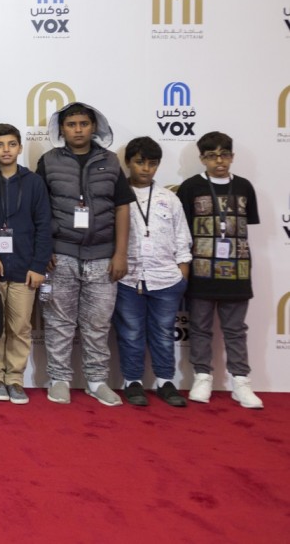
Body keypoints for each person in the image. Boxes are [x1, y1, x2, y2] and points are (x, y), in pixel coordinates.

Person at [35, 102, 132, 407]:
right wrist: (44, 249)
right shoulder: (48, 161)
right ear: (62, 129)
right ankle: (59, 379)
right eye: (71, 124)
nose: (78, 130)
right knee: (58, 323)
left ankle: (97, 381)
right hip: (60, 255)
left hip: (103, 258)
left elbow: (122, 208)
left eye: (84, 124)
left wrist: (120, 254)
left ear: (94, 127)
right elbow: (39, 209)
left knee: (98, 325)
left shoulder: (110, 161)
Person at [177, 132, 263, 409]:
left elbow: (246, 225)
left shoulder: (244, 187)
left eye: (224, 154)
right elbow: (181, 232)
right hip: (201, 272)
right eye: (212, 156)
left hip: (237, 273)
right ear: (202, 158)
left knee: (235, 330)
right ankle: (202, 376)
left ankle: (241, 381)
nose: (219, 161)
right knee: (200, 328)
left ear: (232, 156)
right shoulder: (190, 187)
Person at [113, 137, 191, 408]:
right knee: (131, 333)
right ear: (128, 162)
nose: (146, 168)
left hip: (166, 279)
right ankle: (132, 381)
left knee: (163, 333)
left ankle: (165, 381)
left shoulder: (169, 199)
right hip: (128, 279)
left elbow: (182, 237)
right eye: (140, 162)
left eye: (152, 163)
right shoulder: (116, 195)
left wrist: (182, 273)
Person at [0, 124, 52, 406]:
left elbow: (44, 226)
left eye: (12, 144)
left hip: (25, 268)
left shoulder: (34, 182)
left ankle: (15, 379)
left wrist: (38, 266)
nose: (6, 150)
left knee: (21, 327)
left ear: (20, 148)